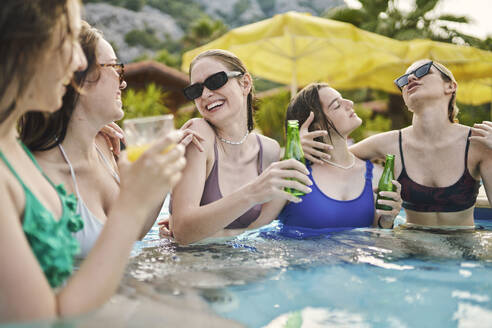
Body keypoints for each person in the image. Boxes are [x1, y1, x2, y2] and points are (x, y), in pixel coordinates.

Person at [0, 0, 186, 323]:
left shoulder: (12, 149)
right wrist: (131, 204)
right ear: (24, 46)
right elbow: (49, 320)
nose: (75, 62)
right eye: (67, 40)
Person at [19, 21, 199, 258]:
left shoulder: (104, 146)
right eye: (114, 67)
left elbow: (130, 233)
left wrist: (163, 181)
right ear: (77, 77)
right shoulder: (38, 176)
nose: (122, 81)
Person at [301, 59, 492, 228]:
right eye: (403, 80)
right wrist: (304, 147)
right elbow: (335, 161)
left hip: (464, 251)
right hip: (409, 251)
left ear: (450, 86)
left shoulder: (479, 142)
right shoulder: (389, 143)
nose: (410, 79)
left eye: (423, 70)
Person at [168, 49, 312, 245]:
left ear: (245, 83)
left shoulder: (269, 149)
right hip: (193, 270)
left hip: (244, 265)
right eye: (196, 90)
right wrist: (253, 192)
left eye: (215, 81)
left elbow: (257, 228)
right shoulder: (199, 134)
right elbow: (183, 232)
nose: (206, 94)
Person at [276, 83, 402, 238]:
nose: (350, 103)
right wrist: (294, 145)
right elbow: (253, 219)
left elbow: (381, 241)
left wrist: (387, 221)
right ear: (317, 125)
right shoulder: (294, 176)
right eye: (337, 105)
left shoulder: (376, 176)